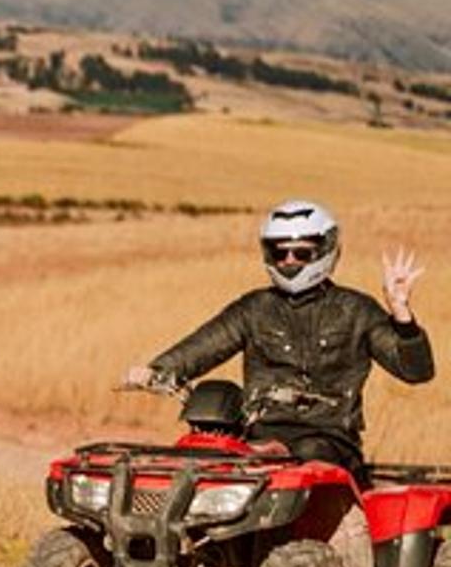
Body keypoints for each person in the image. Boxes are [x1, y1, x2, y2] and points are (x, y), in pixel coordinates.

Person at [125, 199, 432, 479]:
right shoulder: (254, 308)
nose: (288, 260)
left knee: (306, 457)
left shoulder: (357, 309)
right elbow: (206, 344)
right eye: (279, 251)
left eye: (301, 252)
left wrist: (402, 315)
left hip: (330, 439)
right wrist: (158, 370)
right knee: (201, 459)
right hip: (259, 435)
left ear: (325, 251)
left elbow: (416, 371)